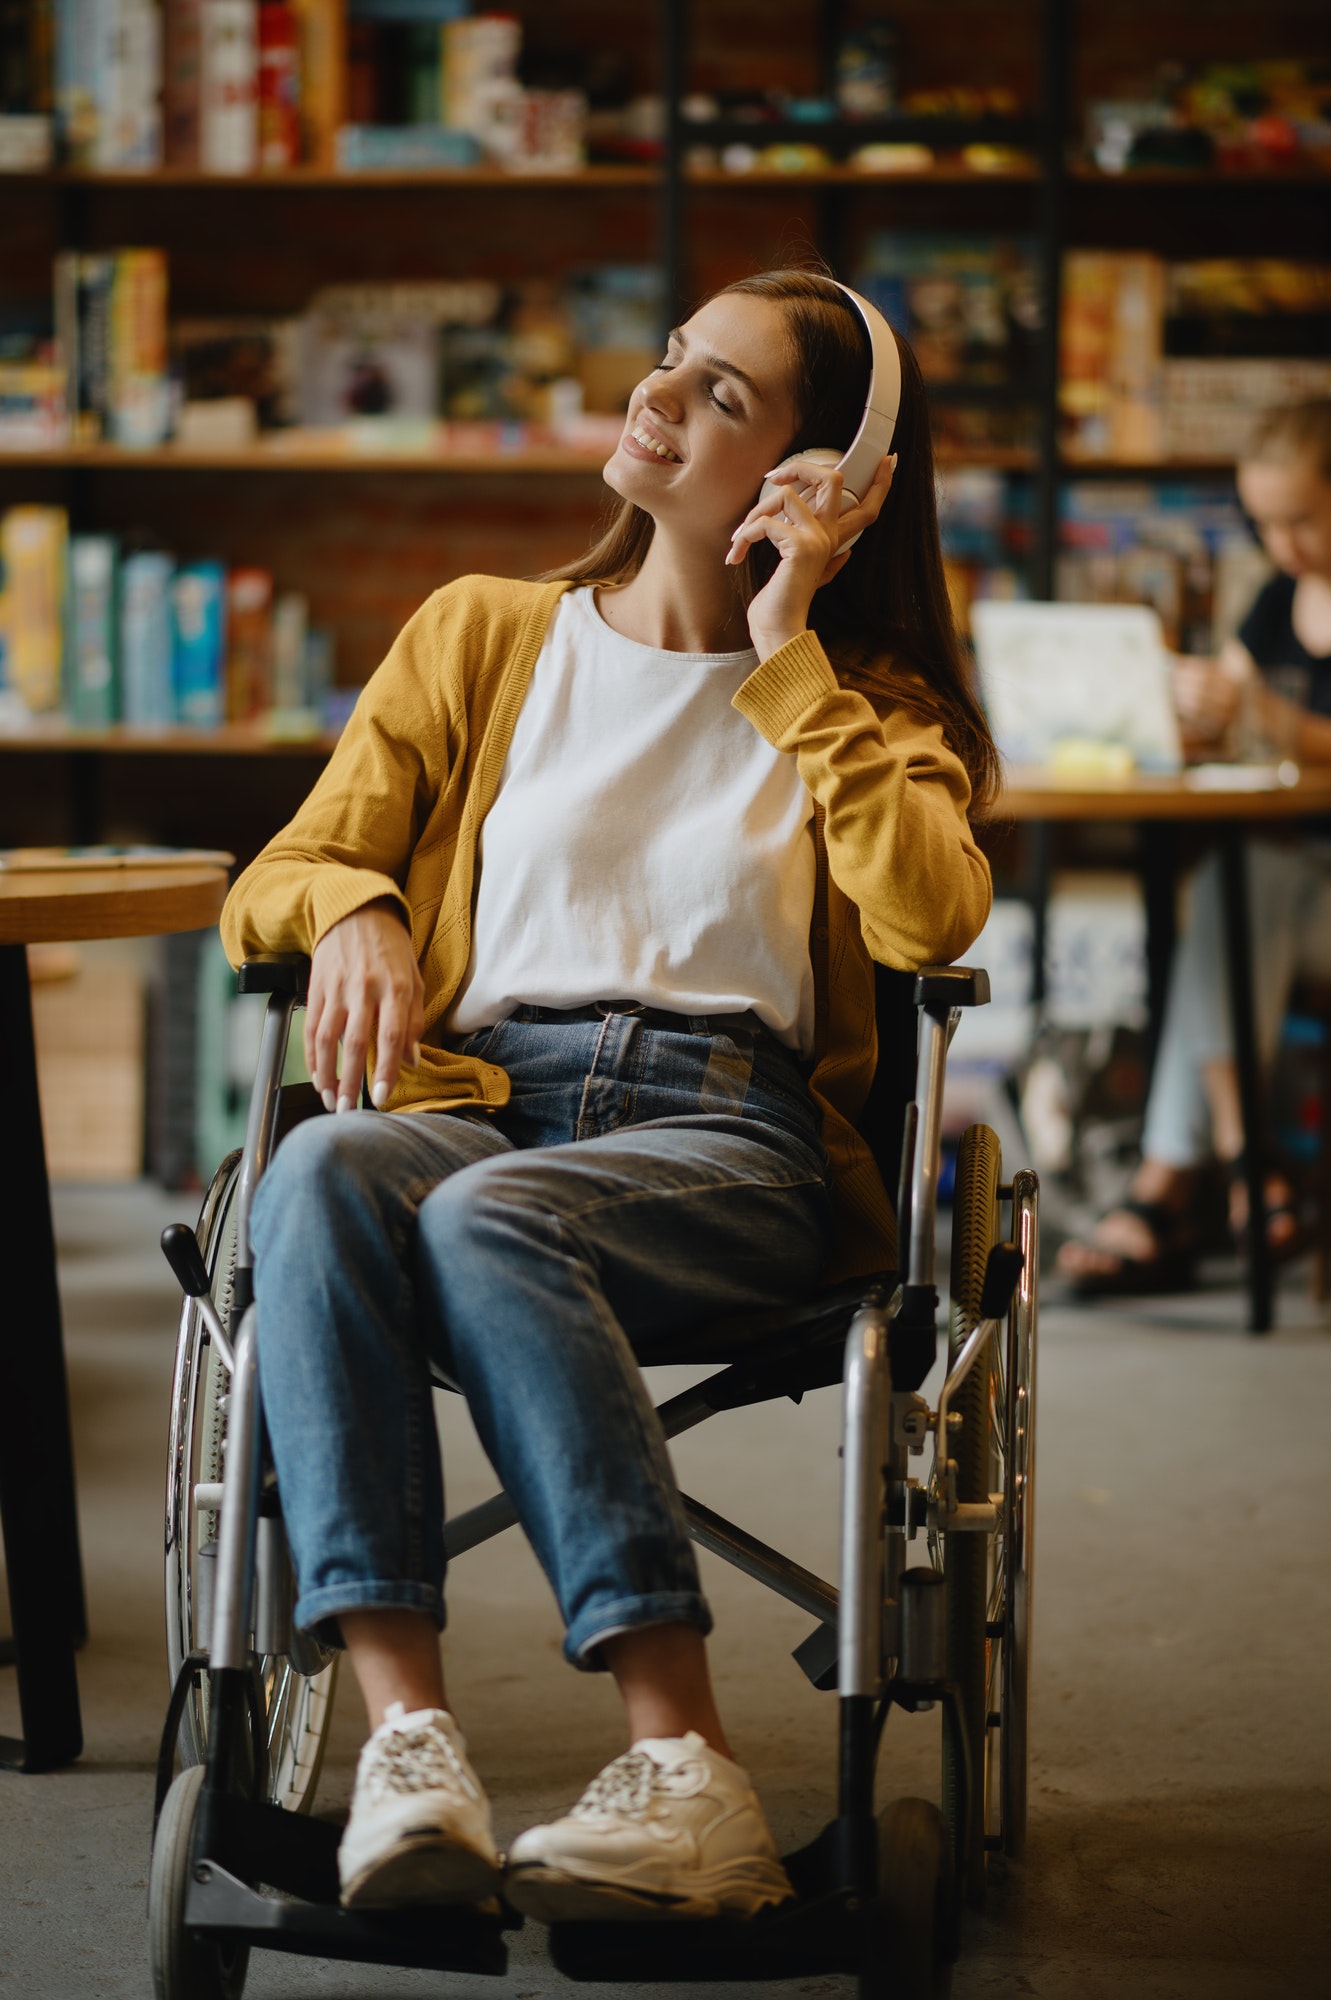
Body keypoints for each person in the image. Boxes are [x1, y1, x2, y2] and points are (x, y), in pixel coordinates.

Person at [220, 268, 996, 1921]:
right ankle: (411, 1743)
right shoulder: (484, 634)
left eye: (722, 396)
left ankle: (686, 1770)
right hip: (485, 1098)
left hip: (730, 1141)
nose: (658, 398)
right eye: (672, 362)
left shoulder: (871, 715)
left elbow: (933, 915)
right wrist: (353, 907)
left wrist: (788, 647)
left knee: (496, 1217)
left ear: (830, 484)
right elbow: (279, 872)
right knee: (317, 1174)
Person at [1059, 397, 1331, 1292]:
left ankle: (1170, 1189)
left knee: (1237, 891)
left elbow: (1280, 723)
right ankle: (1241, 1165)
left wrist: (1267, 715)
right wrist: (1195, 710)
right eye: (1264, 523)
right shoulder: (1276, 603)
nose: (1281, 543)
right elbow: (1245, 723)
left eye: (1300, 519)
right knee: (1235, 888)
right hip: (1288, 880)